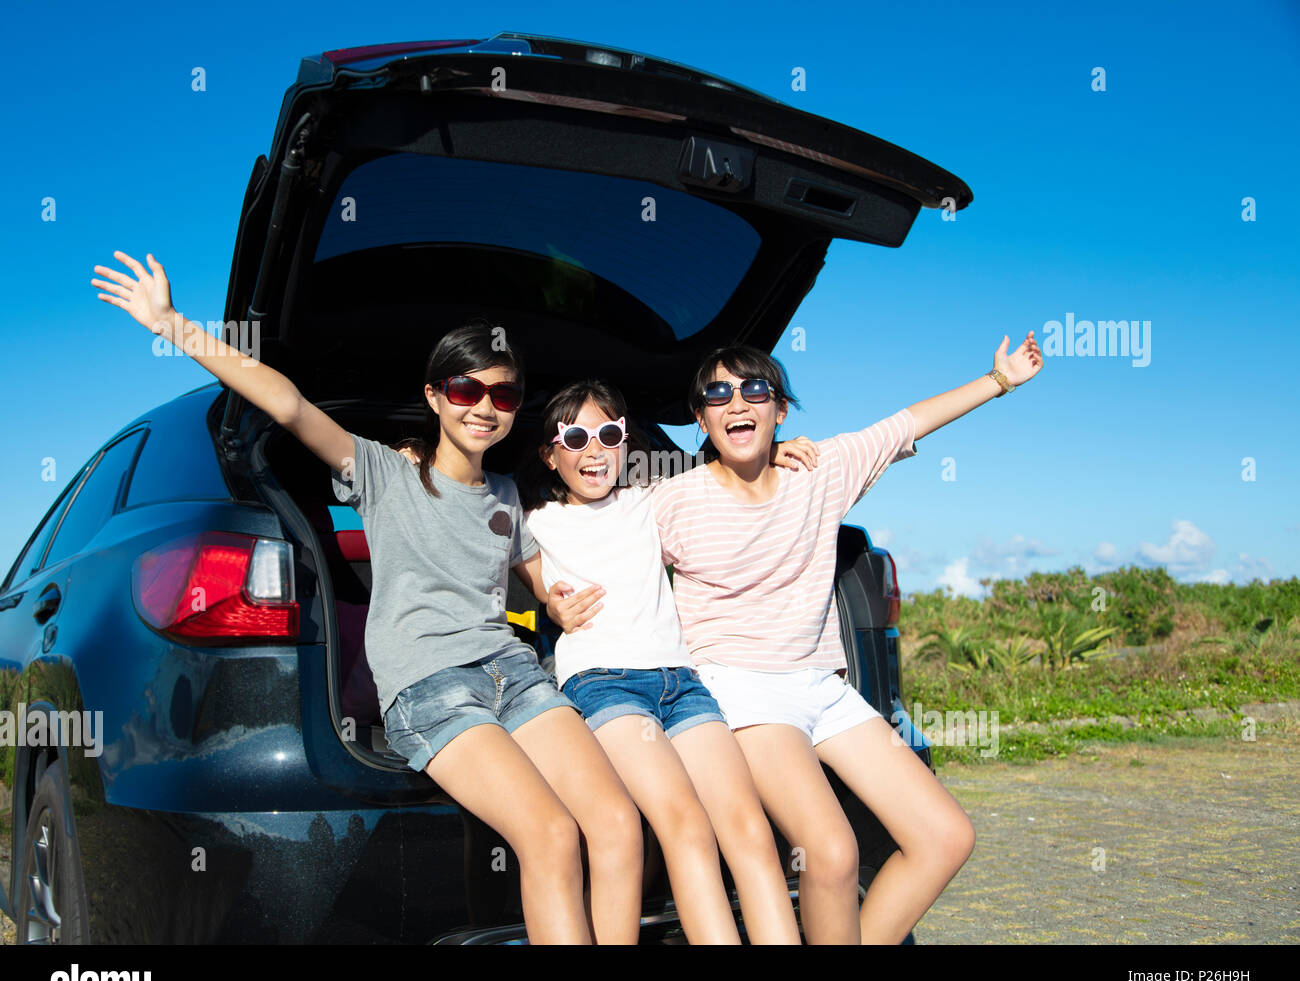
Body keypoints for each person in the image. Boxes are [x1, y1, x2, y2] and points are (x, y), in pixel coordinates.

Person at [91, 251, 643, 944]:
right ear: (436, 397)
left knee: (618, 824)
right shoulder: (383, 472)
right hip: (431, 687)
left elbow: (537, 578)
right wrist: (171, 323)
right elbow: (287, 403)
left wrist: (560, 608)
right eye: (465, 390)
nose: (484, 406)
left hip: (516, 675)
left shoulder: (506, 496)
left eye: (502, 396)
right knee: (553, 835)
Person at [556, 337, 1042, 943]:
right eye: (717, 393)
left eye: (754, 389)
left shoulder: (822, 470)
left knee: (946, 837)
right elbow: (589, 503)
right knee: (832, 852)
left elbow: (908, 422)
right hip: (741, 692)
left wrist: (997, 380)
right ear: (702, 419)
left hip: (823, 686)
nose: (737, 401)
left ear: (778, 409)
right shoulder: (672, 497)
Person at [508, 379, 815, 944]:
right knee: (687, 824)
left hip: (682, 682)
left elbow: (726, 468)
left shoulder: (656, 498)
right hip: (605, 683)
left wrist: (769, 451)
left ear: (625, 442)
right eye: (575, 437)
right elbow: (461, 511)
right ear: (550, 455)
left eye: (608, 433)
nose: (594, 449)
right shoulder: (532, 519)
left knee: (748, 828)